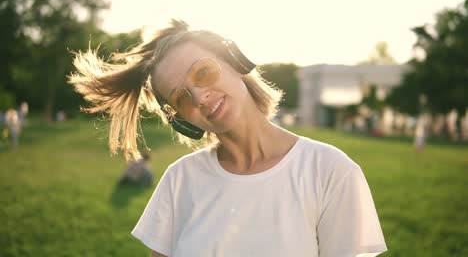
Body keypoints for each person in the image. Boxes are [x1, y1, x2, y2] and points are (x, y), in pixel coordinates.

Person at [68, 20, 387, 257]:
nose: (200, 97)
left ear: (234, 61)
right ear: (180, 120)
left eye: (203, 72)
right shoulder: (180, 180)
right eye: (181, 97)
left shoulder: (330, 171)